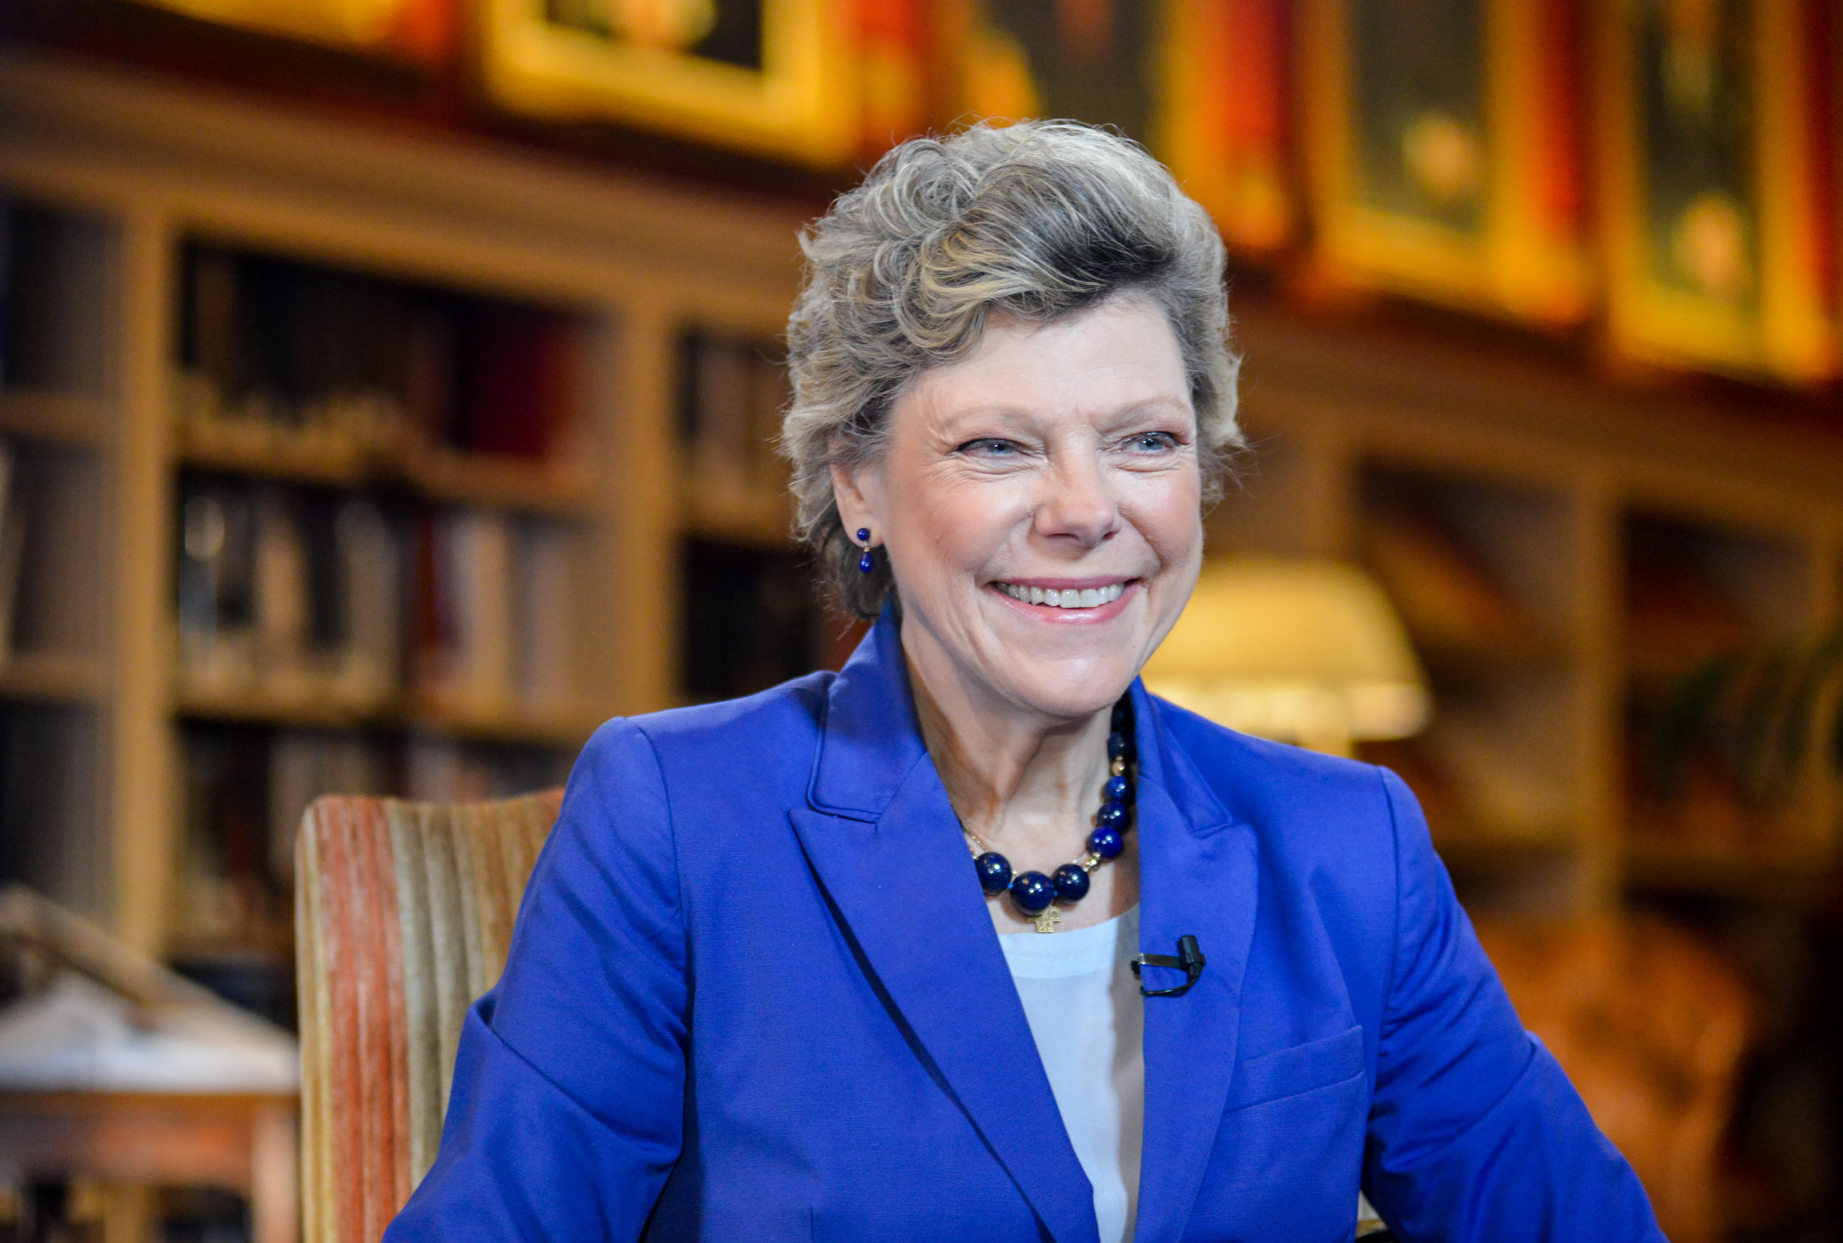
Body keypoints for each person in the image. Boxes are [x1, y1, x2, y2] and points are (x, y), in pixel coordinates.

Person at [385, 122, 1662, 1241]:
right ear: (857, 484)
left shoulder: (1347, 848)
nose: (1082, 511)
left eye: (1141, 442)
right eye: (997, 445)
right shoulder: (675, 815)